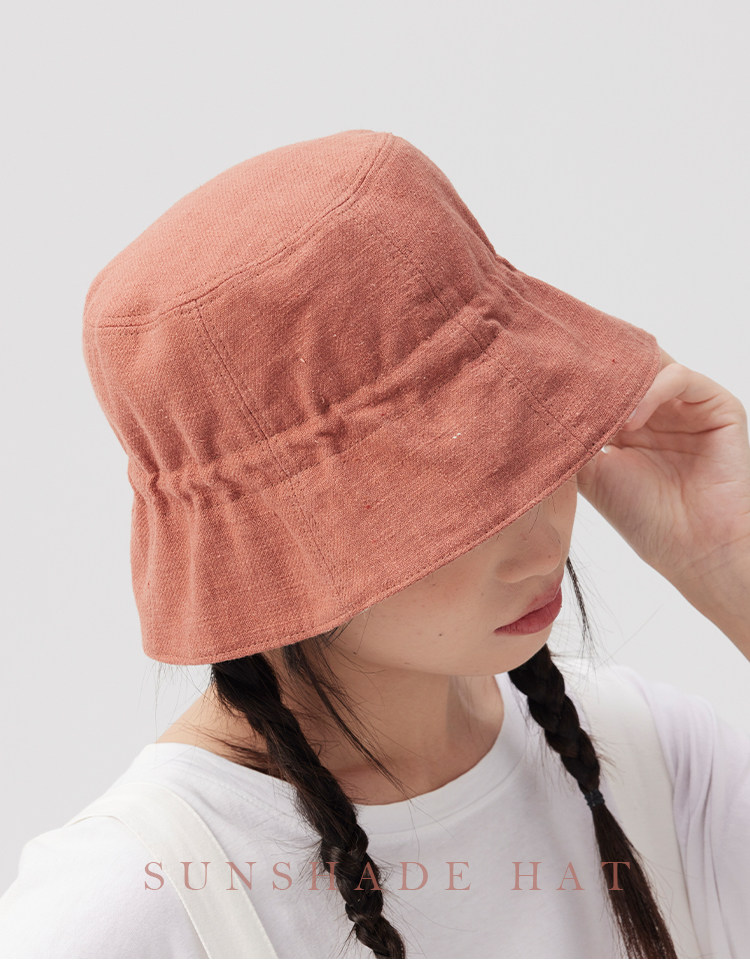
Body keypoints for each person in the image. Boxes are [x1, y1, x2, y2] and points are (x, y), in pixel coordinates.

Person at [1, 129, 748, 960]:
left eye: (531, 445)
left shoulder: (650, 760)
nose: (541, 541)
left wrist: (733, 565)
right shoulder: (121, 911)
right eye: (453, 495)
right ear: (272, 542)